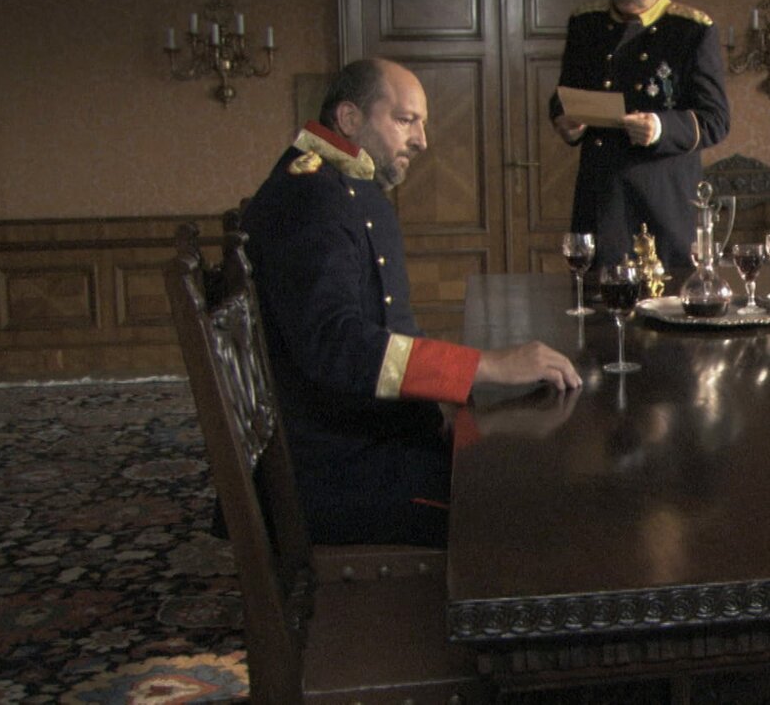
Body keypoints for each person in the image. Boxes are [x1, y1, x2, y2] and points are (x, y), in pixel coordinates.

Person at [243, 58, 581, 547]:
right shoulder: (311, 197)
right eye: (406, 120)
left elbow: (382, 327)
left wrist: (454, 391)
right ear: (350, 118)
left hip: (369, 437)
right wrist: (484, 366)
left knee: (521, 453)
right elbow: (336, 345)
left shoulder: (341, 184)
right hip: (340, 470)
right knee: (526, 498)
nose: (422, 140)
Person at [550, 0, 731, 272]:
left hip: (665, 206)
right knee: (595, 301)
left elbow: (716, 120)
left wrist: (660, 127)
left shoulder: (691, 30)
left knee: (667, 300)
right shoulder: (586, 25)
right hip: (601, 203)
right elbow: (563, 95)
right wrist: (566, 121)